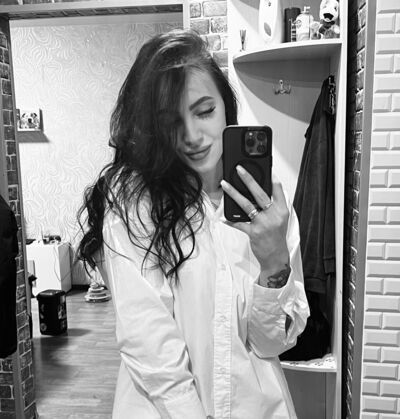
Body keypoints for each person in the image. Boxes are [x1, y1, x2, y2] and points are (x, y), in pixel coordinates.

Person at [77, 29, 309, 419]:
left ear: (225, 107)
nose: (191, 136)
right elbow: (149, 342)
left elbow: (271, 345)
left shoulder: (269, 206)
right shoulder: (135, 203)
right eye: (171, 121)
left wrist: (274, 262)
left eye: (204, 111)